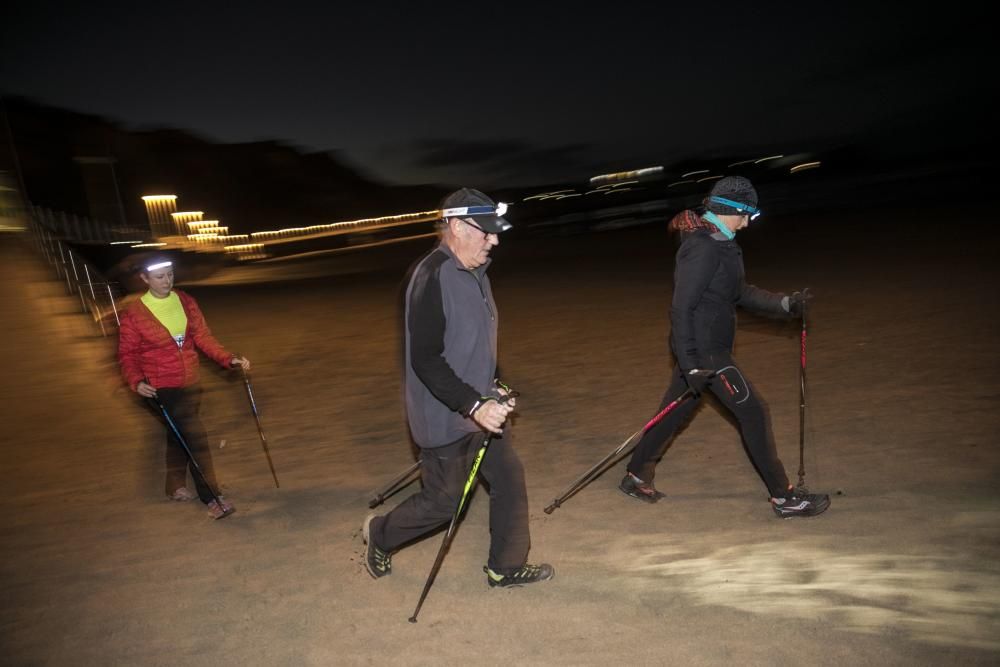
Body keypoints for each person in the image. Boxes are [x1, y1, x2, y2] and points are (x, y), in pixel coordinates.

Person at [363, 188, 554, 587]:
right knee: (444, 503)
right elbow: (426, 358)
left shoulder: (476, 274)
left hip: (479, 409)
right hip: (445, 417)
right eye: (485, 232)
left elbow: (476, 346)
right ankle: (379, 534)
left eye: (495, 232)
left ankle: (505, 566)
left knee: (509, 480)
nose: (494, 240)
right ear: (455, 226)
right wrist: (474, 404)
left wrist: (496, 386)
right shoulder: (432, 276)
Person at [620, 176, 830, 518]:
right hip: (705, 353)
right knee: (754, 412)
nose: (747, 222)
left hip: (706, 349)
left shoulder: (724, 242)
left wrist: (785, 305)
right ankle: (784, 497)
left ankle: (636, 473)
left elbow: (739, 292)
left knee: (675, 410)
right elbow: (681, 307)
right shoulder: (702, 248)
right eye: (744, 215)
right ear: (728, 210)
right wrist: (690, 364)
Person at [117, 258, 249, 519]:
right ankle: (212, 498)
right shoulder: (134, 314)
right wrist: (136, 381)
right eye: (159, 277)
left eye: (170, 274)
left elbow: (202, 337)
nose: (167, 281)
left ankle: (175, 485)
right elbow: (127, 354)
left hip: (190, 382)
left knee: (179, 434)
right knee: (195, 436)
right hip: (158, 387)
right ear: (144, 279)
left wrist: (227, 358)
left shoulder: (186, 301)